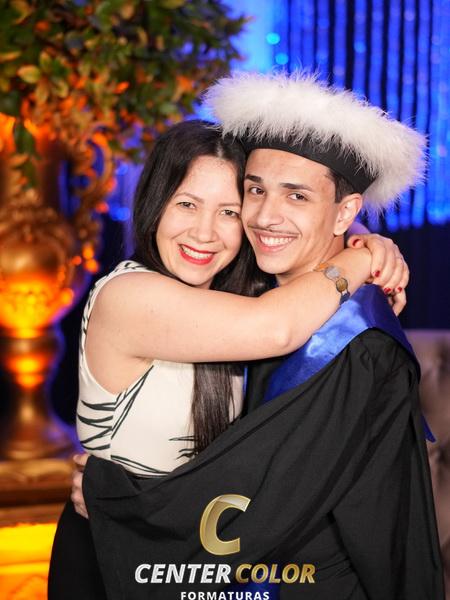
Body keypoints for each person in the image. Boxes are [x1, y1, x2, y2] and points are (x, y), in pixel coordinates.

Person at [75, 74, 444, 600]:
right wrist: (361, 253)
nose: (262, 217)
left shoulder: (354, 344)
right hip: (150, 564)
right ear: (156, 202)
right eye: (254, 192)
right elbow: (277, 323)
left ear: (345, 211)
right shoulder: (166, 297)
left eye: (228, 210)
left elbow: (279, 505)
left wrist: (115, 499)